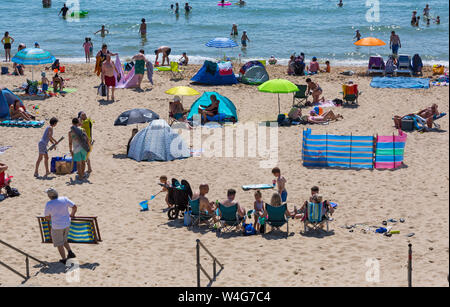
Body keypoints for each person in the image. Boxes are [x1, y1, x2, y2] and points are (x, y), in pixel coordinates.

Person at [43, 188, 77, 264]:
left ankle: (64, 259)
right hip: (67, 223)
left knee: (59, 243)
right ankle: (70, 252)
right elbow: (74, 207)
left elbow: (47, 217)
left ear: (49, 196)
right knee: (64, 239)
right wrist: (72, 215)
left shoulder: (49, 204)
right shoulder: (64, 199)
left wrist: (53, 218)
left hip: (57, 226)